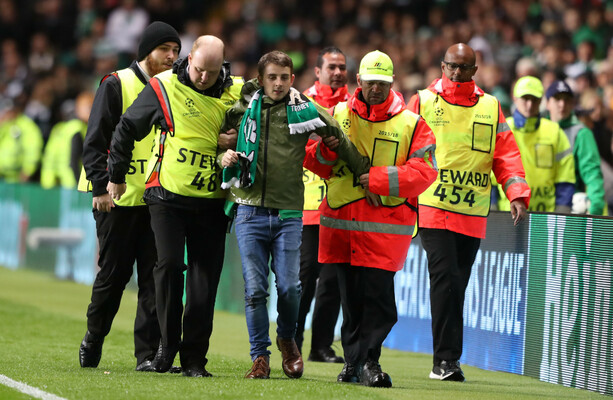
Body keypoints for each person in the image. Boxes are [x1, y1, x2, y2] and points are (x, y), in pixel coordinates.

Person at [219, 50, 369, 380]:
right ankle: (260, 356)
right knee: (256, 289)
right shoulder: (241, 109)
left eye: (284, 77)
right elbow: (216, 140)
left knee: (289, 288)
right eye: (272, 77)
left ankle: (287, 338)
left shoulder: (304, 109)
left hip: (288, 213)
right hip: (248, 211)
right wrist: (223, 154)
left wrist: (365, 173)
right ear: (260, 80)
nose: (278, 83)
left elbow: (338, 138)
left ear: (292, 79)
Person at [106, 35, 243, 378]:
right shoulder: (163, 86)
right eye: (198, 70)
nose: (203, 78)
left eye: (211, 73)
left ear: (222, 66)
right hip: (167, 197)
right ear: (189, 58)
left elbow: (262, 131)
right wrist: (116, 175)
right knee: (167, 268)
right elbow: (126, 128)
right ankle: (166, 347)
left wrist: (236, 136)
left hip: (211, 204)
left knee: (204, 282)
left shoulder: (238, 92)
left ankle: (195, 359)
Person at [308, 50, 438, 387]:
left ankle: (366, 361)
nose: (375, 89)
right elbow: (312, 159)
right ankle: (359, 365)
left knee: (379, 304)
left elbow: (425, 172)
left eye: (381, 83)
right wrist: (326, 151)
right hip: (342, 227)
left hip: (383, 230)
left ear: (391, 82)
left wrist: (378, 180)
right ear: (359, 82)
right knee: (350, 303)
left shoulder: (411, 123)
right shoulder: (337, 114)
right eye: (370, 83)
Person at [407, 43, 530, 382]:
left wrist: (516, 193)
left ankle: (449, 360)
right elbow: (403, 148)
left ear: (475, 70)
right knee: (445, 280)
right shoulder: (422, 101)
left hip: (473, 213)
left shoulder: (491, 107)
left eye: (464, 67)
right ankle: (445, 362)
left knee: (457, 284)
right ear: (442, 66)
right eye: (451, 66)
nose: (457, 73)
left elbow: (506, 156)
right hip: (433, 207)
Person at [77, 21, 181, 372]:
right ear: (146, 51)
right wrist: (99, 187)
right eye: (165, 49)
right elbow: (94, 141)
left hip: (155, 199)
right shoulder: (116, 83)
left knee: (154, 279)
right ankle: (94, 337)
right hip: (115, 197)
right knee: (114, 275)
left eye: (176, 51)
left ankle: (147, 355)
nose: (172, 56)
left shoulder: (172, 88)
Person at [295, 46, 348, 363]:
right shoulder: (300, 103)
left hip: (339, 205)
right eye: (332, 67)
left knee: (332, 281)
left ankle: (321, 347)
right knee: (303, 278)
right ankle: (293, 341)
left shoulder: (353, 105)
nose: (338, 72)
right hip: (306, 206)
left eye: (342, 66)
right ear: (318, 71)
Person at [494, 76, 575, 213]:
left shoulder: (554, 132)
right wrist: (492, 208)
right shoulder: (503, 129)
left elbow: (565, 176)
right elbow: (491, 174)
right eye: (525, 99)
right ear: (515, 98)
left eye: (535, 100)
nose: (530, 105)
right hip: (508, 212)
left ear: (541, 100)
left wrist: (562, 212)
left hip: (546, 214)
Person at [545, 80, 605, 214]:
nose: (562, 104)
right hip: (540, 207)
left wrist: (595, 209)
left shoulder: (581, 134)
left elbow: (593, 173)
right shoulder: (539, 130)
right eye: (557, 99)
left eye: (567, 100)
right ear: (548, 103)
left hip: (570, 208)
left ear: (572, 104)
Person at [40, 91, 94, 189]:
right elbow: (73, 160)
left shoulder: (60, 128)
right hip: (72, 182)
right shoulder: (77, 128)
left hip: (56, 181)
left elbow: (51, 155)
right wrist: (79, 184)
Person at [0, 98, 43, 183]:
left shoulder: (26, 125)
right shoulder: (5, 124)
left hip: (17, 177)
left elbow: (33, 149)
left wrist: (28, 170)